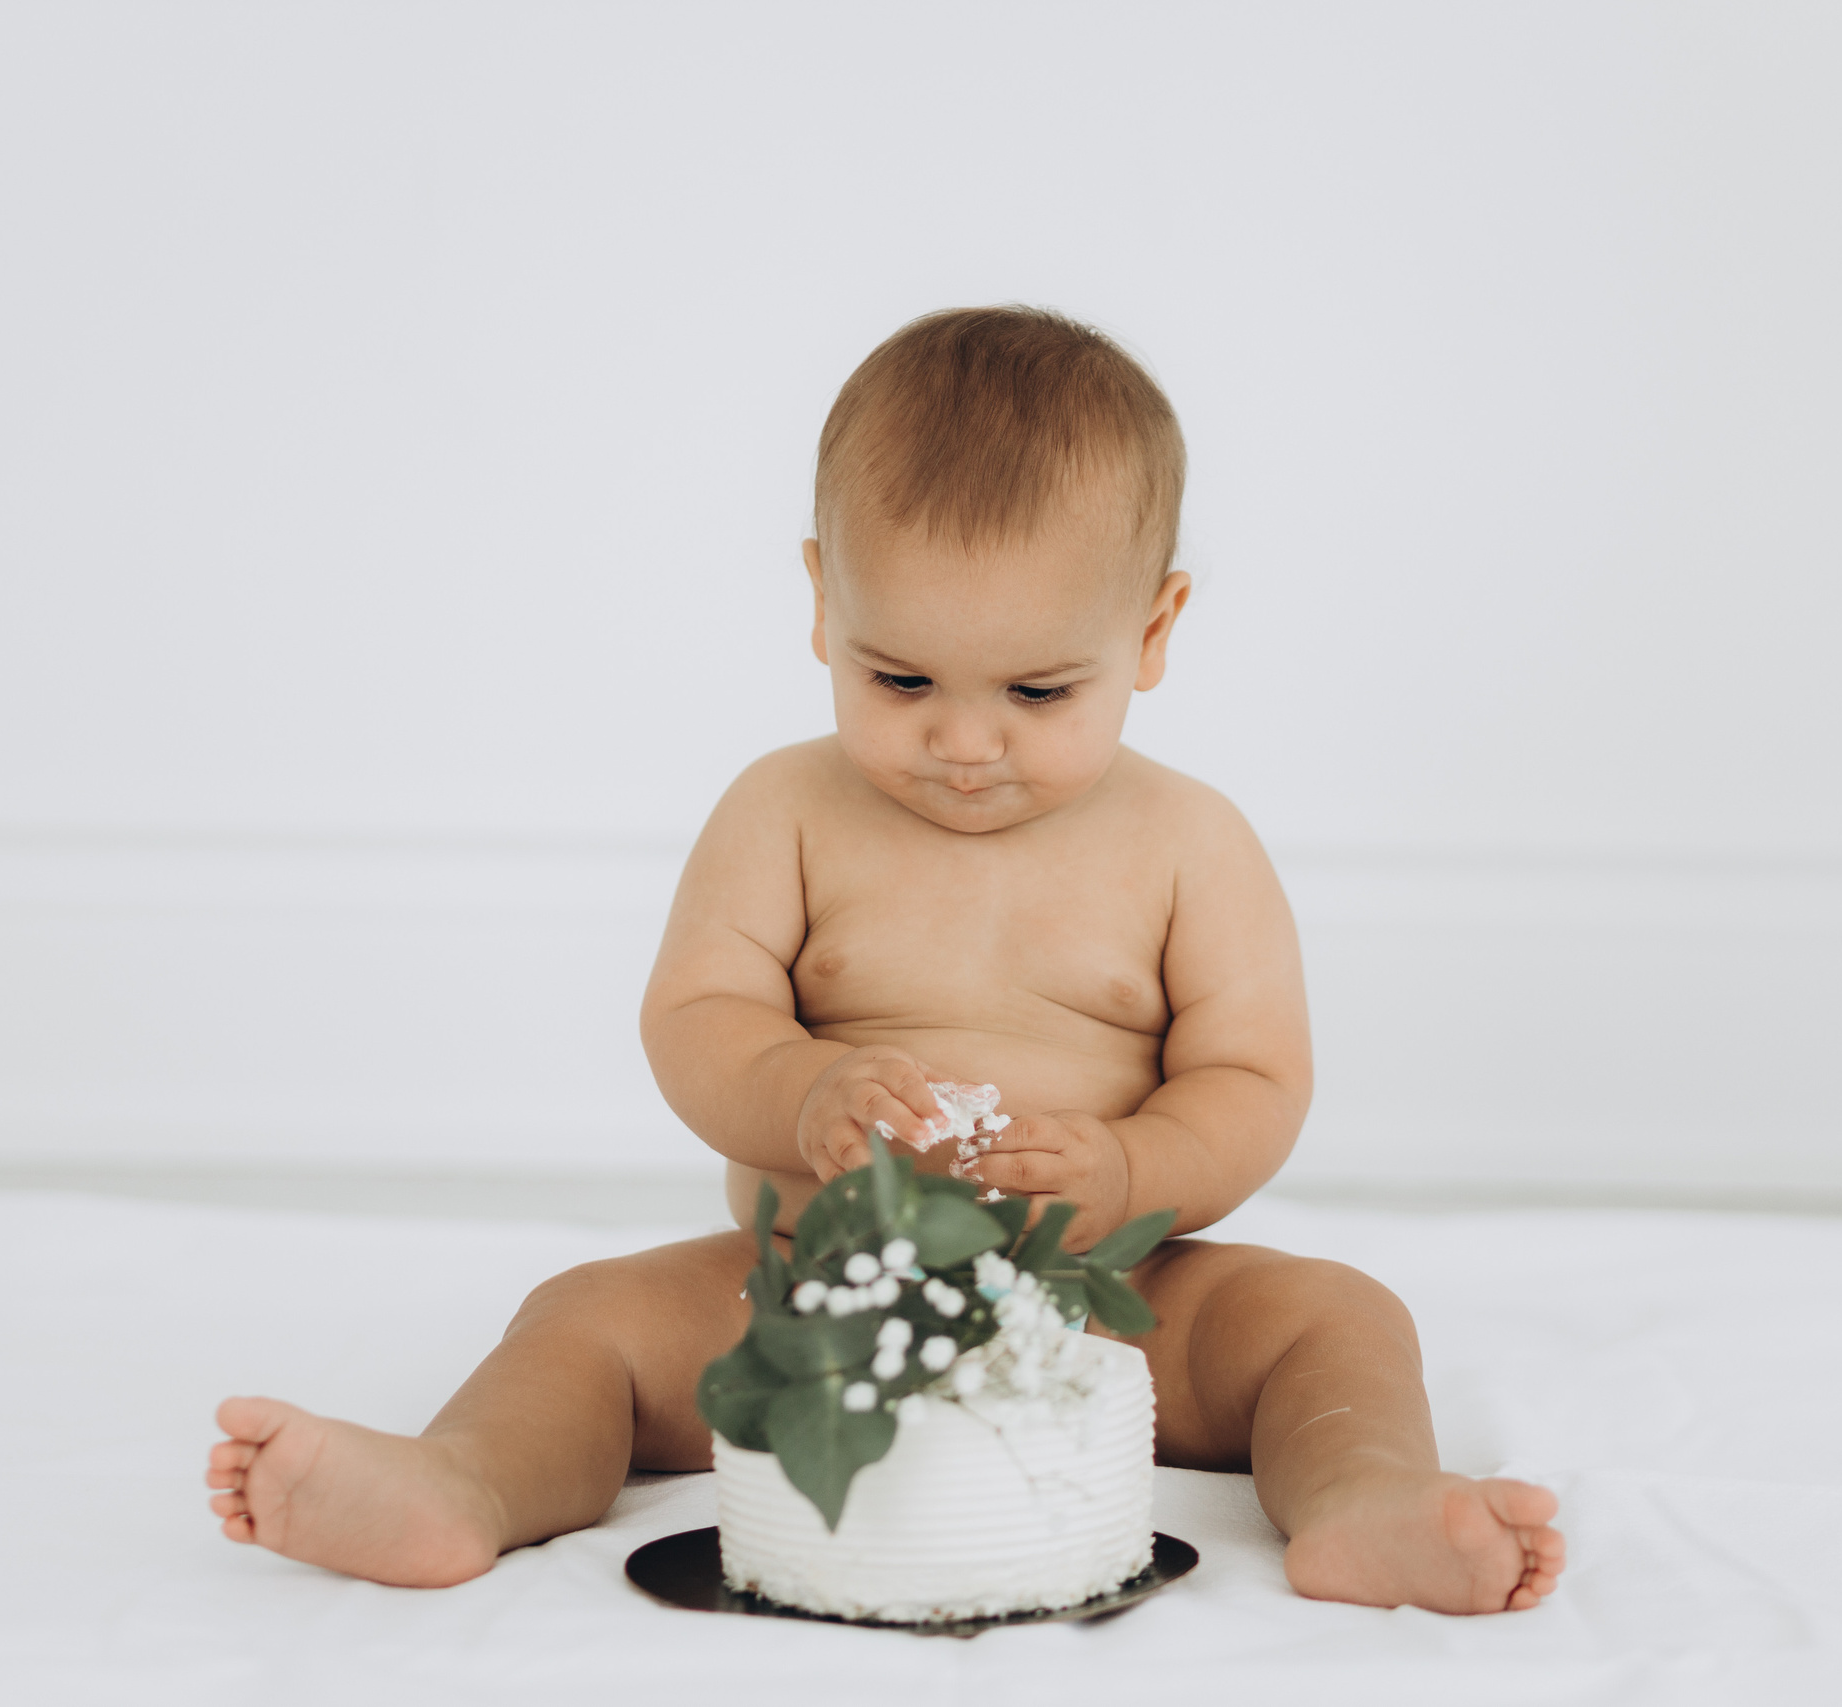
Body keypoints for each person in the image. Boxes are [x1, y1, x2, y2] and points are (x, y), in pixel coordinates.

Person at [203, 306, 1566, 1613]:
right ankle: (461, 1484)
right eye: (900, 680)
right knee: (586, 1320)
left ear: (1152, 632)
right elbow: (697, 1016)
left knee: (1333, 1319)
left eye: (1039, 691)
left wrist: (1130, 1173)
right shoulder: (782, 813)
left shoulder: (1190, 845)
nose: (964, 744)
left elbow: (1253, 1081)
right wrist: (801, 1094)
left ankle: (1368, 1500)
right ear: (819, 603)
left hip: (1109, 1305)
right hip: (800, 1291)